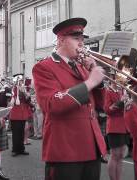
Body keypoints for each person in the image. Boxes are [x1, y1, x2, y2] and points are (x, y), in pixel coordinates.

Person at [32, 17, 107, 180]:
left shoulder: (82, 67)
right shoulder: (44, 67)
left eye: (82, 39)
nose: (81, 43)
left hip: (91, 147)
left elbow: (100, 105)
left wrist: (98, 81)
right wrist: (91, 81)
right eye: (76, 39)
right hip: (66, 151)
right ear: (61, 40)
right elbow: (51, 104)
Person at [104, 70, 129, 180]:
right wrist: (121, 102)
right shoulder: (108, 91)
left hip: (124, 127)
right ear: (113, 78)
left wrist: (128, 103)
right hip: (114, 127)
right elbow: (107, 110)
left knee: (121, 155)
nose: (121, 80)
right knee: (115, 155)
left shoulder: (122, 91)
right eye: (118, 77)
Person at [9, 74, 32, 157]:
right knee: (16, 133)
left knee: (22, 132)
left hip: (23, 113)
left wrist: (27, 95)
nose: (22, 82)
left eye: (22, 81)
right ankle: (15, 149)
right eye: (20, 81)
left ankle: (21, 149)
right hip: (15, 113)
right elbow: (13, 100)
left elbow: (27, 102)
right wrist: (21, 91)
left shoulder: (24, 89)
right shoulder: (13, 89)